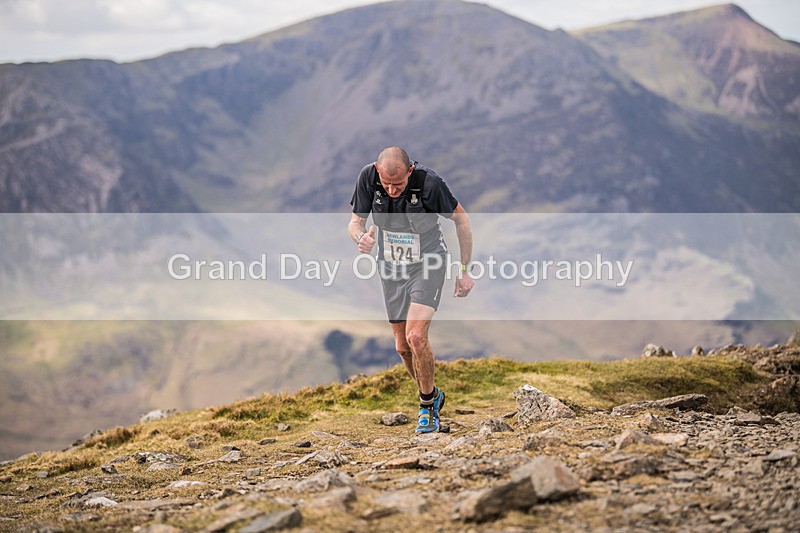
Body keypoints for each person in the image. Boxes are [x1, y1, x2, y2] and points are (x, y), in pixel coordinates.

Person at [348, 146, 475, 434]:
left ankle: (427, 407)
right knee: (403, 347)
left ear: (410, 171)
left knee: (416, 336)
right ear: (378, 173)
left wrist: (464, 270)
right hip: (391, 267)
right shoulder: (368, 177)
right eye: (387, 185)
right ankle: (433, 393)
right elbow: (356, 222)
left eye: (399, 185)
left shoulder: (430, 184)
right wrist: (360, 239)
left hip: (428, 263)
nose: (392, 191)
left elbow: (461, 219)